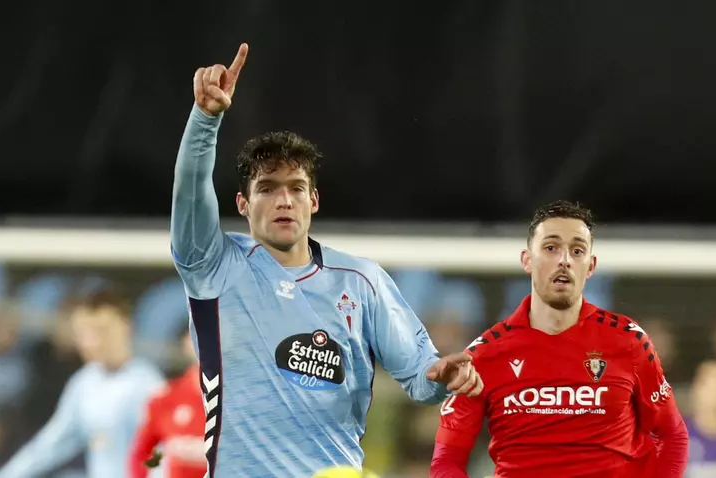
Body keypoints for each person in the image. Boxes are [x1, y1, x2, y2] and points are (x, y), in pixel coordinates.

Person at [171, 43, 482, 477]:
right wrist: (205, 119)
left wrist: (442, 376)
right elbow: (190, 191)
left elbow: (419, 376)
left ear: (313, 200)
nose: (284, 200)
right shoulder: (213, 266)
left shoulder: (361, 281)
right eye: (267, 188)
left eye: (296, 188)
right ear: (243, 204)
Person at [430, 200, 688, 478]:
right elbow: (446, 460)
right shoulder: (483, 355)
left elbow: (672, 435)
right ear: (527, 260)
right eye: (551, 248)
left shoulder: (628, 340)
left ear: (590, 266)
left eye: (577, 250)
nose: (564, 260)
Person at [0, 289, 164, 478]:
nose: (92, 342)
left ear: (126, 327)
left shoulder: (147, 386)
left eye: (102, 330)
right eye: (84, 333)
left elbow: (161, 455)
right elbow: (50, 445)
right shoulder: (84, 382)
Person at [129, 328, 206, 478]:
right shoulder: (165, 397)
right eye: (199, 335)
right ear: (186, 342)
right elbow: (142, 454)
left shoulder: (243, 401)